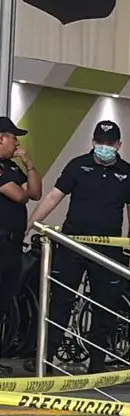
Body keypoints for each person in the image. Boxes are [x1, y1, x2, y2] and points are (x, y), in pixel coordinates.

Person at [27, 119, 130, 373]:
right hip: (73, 244)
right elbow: (53, 197)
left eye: (109, 144)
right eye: (100, 142)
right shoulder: (78, 165)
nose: (104, 147)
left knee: (104, 305)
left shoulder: (128, 173)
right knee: (61, 302)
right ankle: (45, 358)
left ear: (119, 145)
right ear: (93, 142)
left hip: (109, 248)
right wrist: (31, 224)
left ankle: (97, 364)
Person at [0, 117, 40, 375]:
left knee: (4, 304)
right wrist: (23, 189)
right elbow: (18, 195)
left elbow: (35, 192)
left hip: (13, 246)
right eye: (14, 138)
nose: (17, 143)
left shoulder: (11, 168)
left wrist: (29, 164)